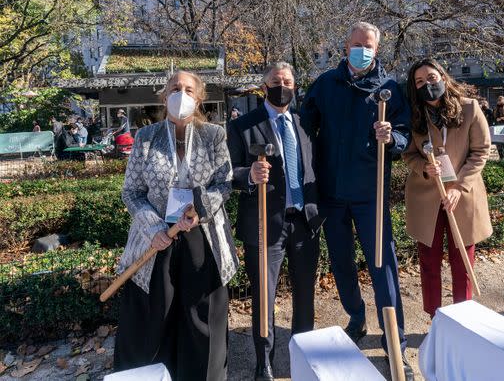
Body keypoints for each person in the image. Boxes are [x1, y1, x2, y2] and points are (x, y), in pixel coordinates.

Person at [301, 22, 413, 380]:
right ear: (345, 45)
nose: (361, 49)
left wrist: (391, 137)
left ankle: (396, 341)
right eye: (356, 44)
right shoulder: (324, 84)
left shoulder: (389, 89)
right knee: (342, 263)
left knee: (383, 266)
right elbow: (305, 129)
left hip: (370, 194)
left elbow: (406, 135)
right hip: (333, 194)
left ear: (376, 49)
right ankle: (356, 317)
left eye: (368, 45)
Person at [113, 71, 238, 381]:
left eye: (188, 89)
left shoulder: (213, 135)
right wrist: (153, 228)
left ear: (198, 98)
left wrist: (201, 207)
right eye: (174, 88)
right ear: (164, 94)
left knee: (201, 318)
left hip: (202, 236)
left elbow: (225, 183)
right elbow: (132, 192)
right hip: (158, 241)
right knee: (159, 315)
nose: (180, 93)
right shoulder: (146, 137)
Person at [227, 62, 323, 381]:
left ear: (295, 87)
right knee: (264, 297)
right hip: (264, 222)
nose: (283, 85)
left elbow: (313, 167)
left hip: (304, 222)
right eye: (276, 81)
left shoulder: (304, 123)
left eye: (288, 81)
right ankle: (263, 361)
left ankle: (302, 352)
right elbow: (227, 173)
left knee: (305, 294)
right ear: (264, 87)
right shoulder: (244, 126)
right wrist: (249, 176)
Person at [402, 58, 493, 318]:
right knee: (429, 262)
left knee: (462, 260)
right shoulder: (414, 115)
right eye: (419, 81)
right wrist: (424, 167)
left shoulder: (469, 109)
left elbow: (481, 151)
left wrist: (459, 187)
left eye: (431, 78)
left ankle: (463, 316)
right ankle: (435, 315)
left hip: (462, 196)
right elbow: (408, 155)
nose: (427, 84)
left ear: (442, 76)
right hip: (426, 197)